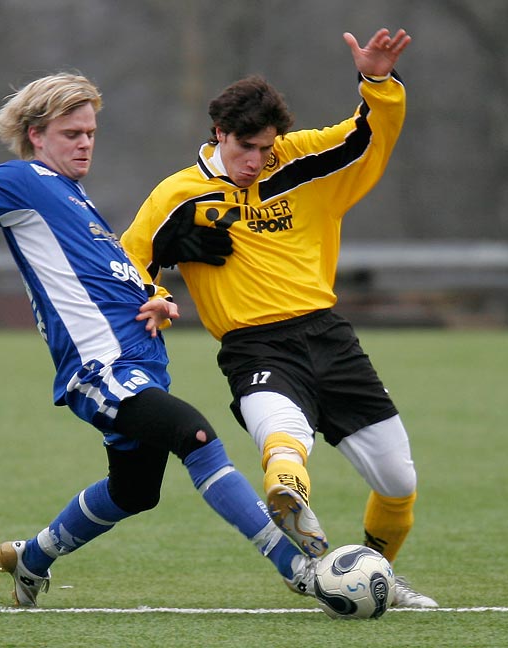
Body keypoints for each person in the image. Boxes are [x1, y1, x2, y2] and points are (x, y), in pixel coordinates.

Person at [0, 72, 322, 607]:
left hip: (141, 363)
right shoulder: (25, 180)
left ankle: (31, 557)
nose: (84, 144)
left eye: (91, 133)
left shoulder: (75, 198)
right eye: (71, 133)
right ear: (36, 134)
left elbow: (110, 277)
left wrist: (155, 298)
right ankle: (297, 569)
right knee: (194, 434)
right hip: (100, 370)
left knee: (135, 492)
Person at [121, 29, 438, 607]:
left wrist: (378, 83)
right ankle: (289, 500)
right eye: (246, 147)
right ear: (220, 133)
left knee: (399, 481)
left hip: (329, 336)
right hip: (254, 347)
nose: (257, 160)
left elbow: (371, 135)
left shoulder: (304, 161)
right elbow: (130, 256)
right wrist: (156, 291)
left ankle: (374, 580)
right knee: (284, 437)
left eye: (267, 147)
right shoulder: (179, 194)